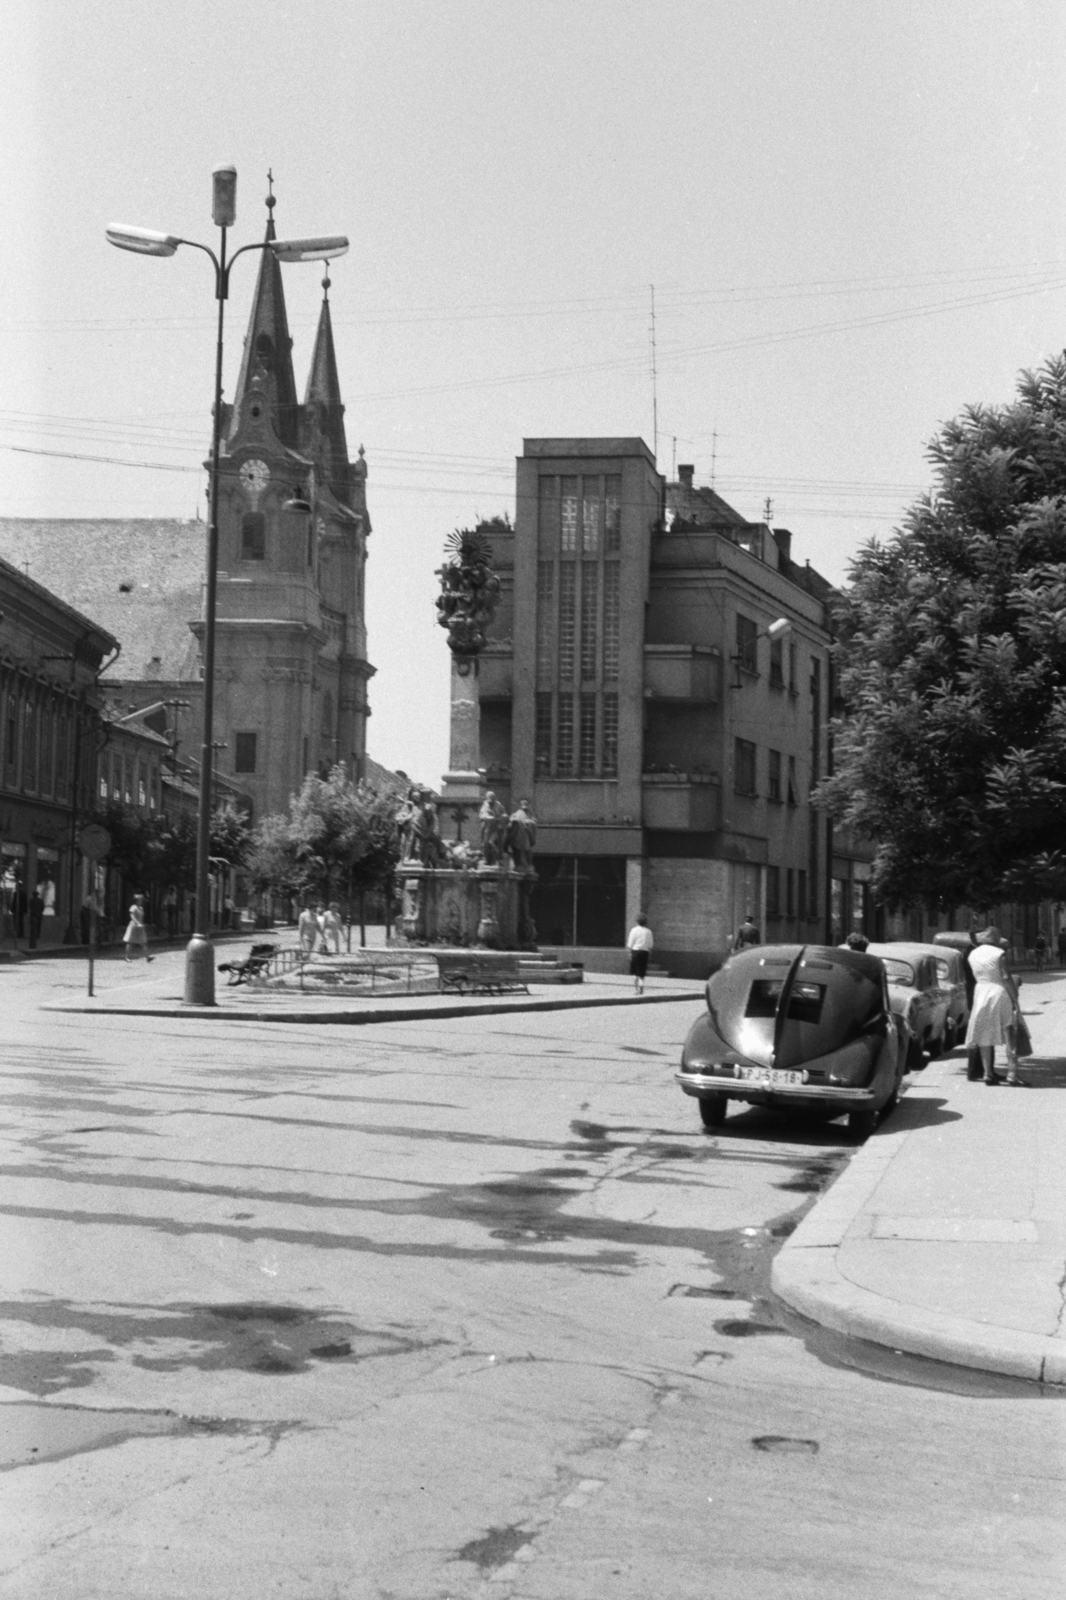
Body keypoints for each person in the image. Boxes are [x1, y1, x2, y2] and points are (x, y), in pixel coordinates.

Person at [964, 926, 1025, 1086]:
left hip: (981, 992)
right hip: (999, 992)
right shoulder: (999, 954)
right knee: (1010, 1032)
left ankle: (987, 1073)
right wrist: (1014, 997)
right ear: (997, 940)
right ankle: (1012, 1073)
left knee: (985, 1034)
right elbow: (1005, 976)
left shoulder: (973, 954)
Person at [626, 912, 654, 995]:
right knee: (642, 971)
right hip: (645, 952)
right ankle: (641, 985)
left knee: (635, 971)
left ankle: (636, 989)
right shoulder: (649, 931)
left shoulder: (634, 930)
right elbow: (651, 944)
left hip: (635, 951)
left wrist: (630, 953)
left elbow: (630, 943)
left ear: (637, 921)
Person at [123, 894, 153, 963]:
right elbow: (132, 916)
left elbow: (141, 918)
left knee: (143, 942)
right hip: (134, 926)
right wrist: (137, 923)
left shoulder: (141, 908)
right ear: (136, 901)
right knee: (130, 942)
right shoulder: (133, 907)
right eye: (139, 900)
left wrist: (142, 924)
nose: (141, 901)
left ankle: (147, 957)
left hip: (140, 927)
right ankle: (126, 957)